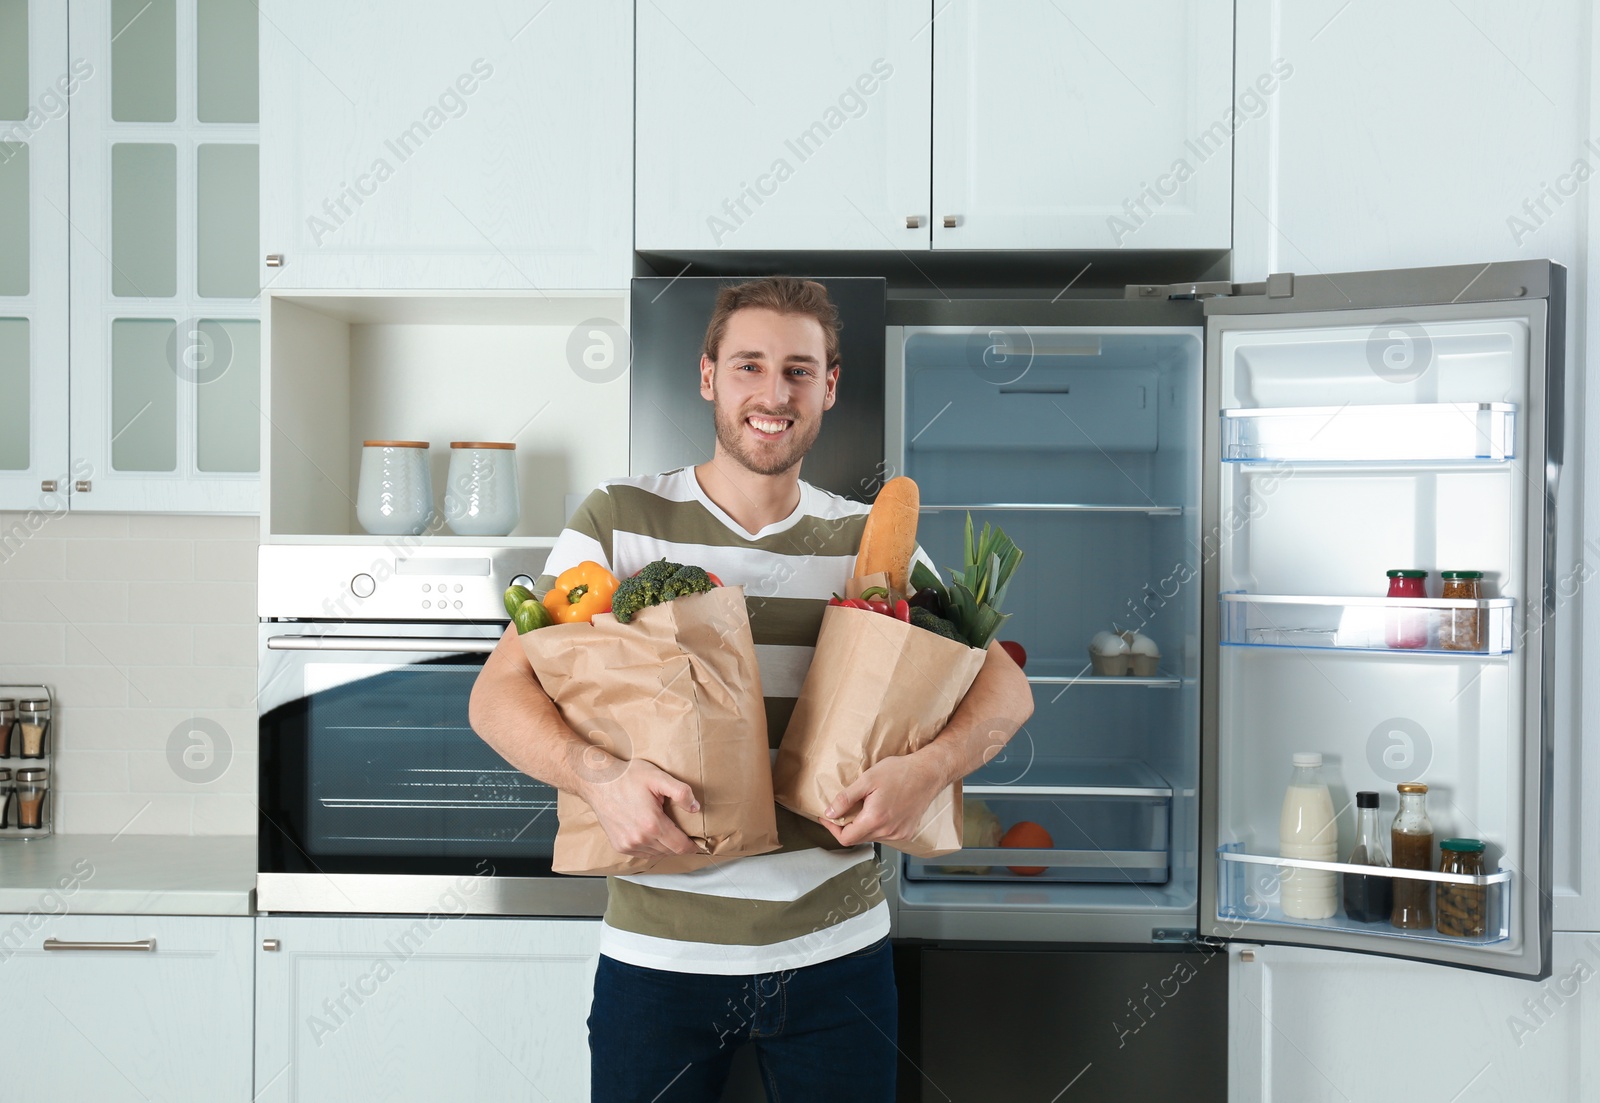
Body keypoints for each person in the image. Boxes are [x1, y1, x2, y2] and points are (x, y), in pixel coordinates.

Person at [468, 275, 1034, 1101]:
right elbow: (496, 694)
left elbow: (1008, 692)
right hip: (659, 961)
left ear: (831, 386)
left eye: (800, 370)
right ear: (708, 377)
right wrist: (600, 776)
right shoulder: (618, 519)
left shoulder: (869, 541)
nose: (774, 394)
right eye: (750, 366)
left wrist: (929, 769)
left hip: (836, 958)